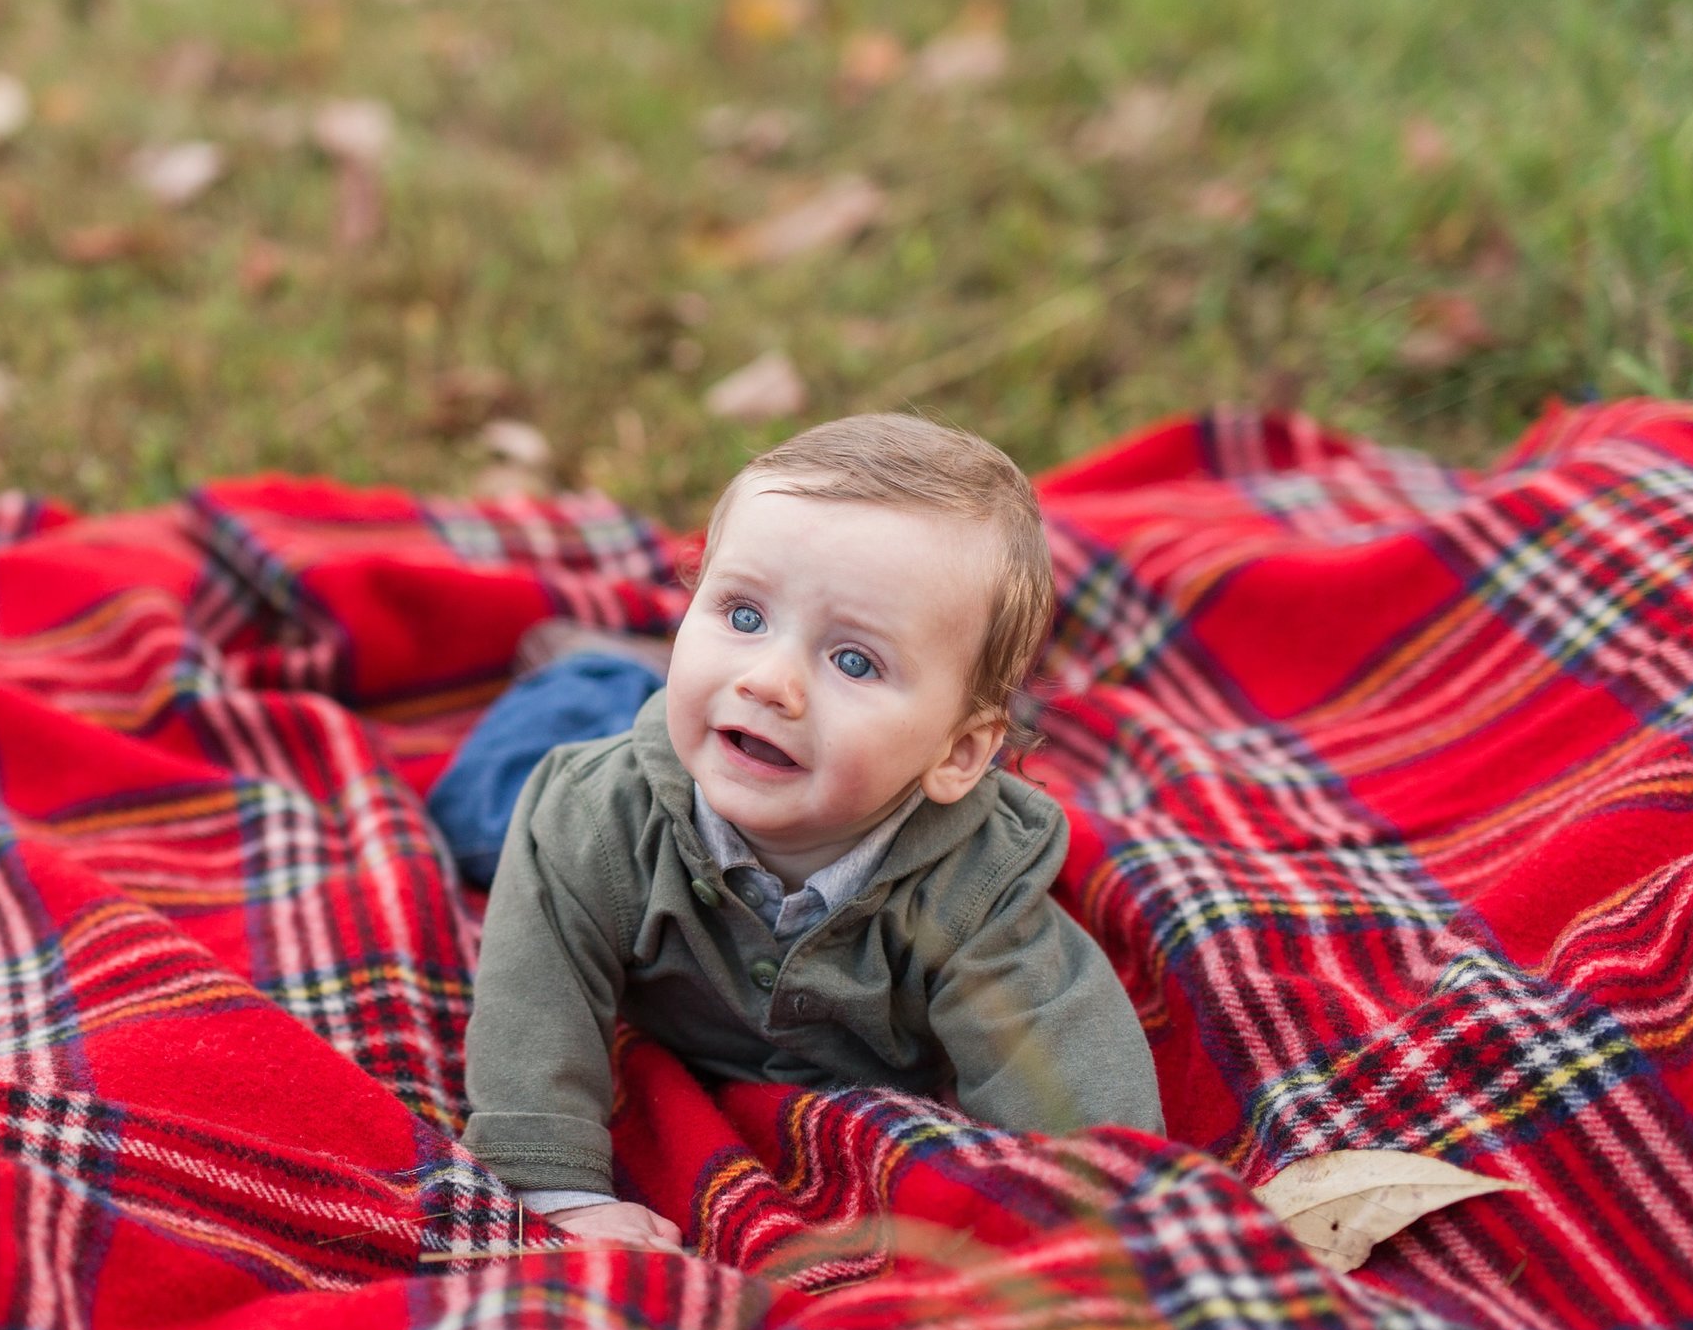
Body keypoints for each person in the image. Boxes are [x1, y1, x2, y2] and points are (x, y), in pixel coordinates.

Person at [452, 413, 1166, 1249]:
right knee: (481, 815)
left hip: (722, 742)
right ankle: (587, 666)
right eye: (744, 615)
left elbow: (1066, 1075)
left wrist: (1110, 1224)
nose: (771, 681)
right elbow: (535, 1000)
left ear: (960, 753)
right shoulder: (588, 818)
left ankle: (636, 661)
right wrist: (557, 1187)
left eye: (854, 661)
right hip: (634, 749)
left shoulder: (976, 889)